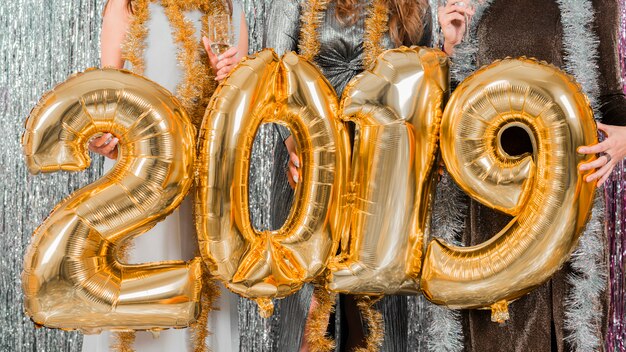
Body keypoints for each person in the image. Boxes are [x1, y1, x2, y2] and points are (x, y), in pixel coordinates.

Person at [264, 1, 458, 350]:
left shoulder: (413, 6)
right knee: (308, 313)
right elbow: (274, 70)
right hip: (311, 160)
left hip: (382, 169)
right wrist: (294, 143)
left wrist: (448, 49)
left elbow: (423, 85)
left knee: (371, 316)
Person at [438, 0, 626, 350]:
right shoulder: (469, 3)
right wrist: (450, 47)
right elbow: (450, 108)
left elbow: (610, 93)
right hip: (488, 206)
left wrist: (625, 136)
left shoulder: (594, 3)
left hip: (562, 202)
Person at [82, 0, 247, 351]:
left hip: (201, 185)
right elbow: (106, 102)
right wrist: (102, 137)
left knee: (200, 305)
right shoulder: (125, 7)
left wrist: (233, 76)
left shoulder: (227, 10)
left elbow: (239, 112)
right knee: (136, 303)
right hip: (139, 183)